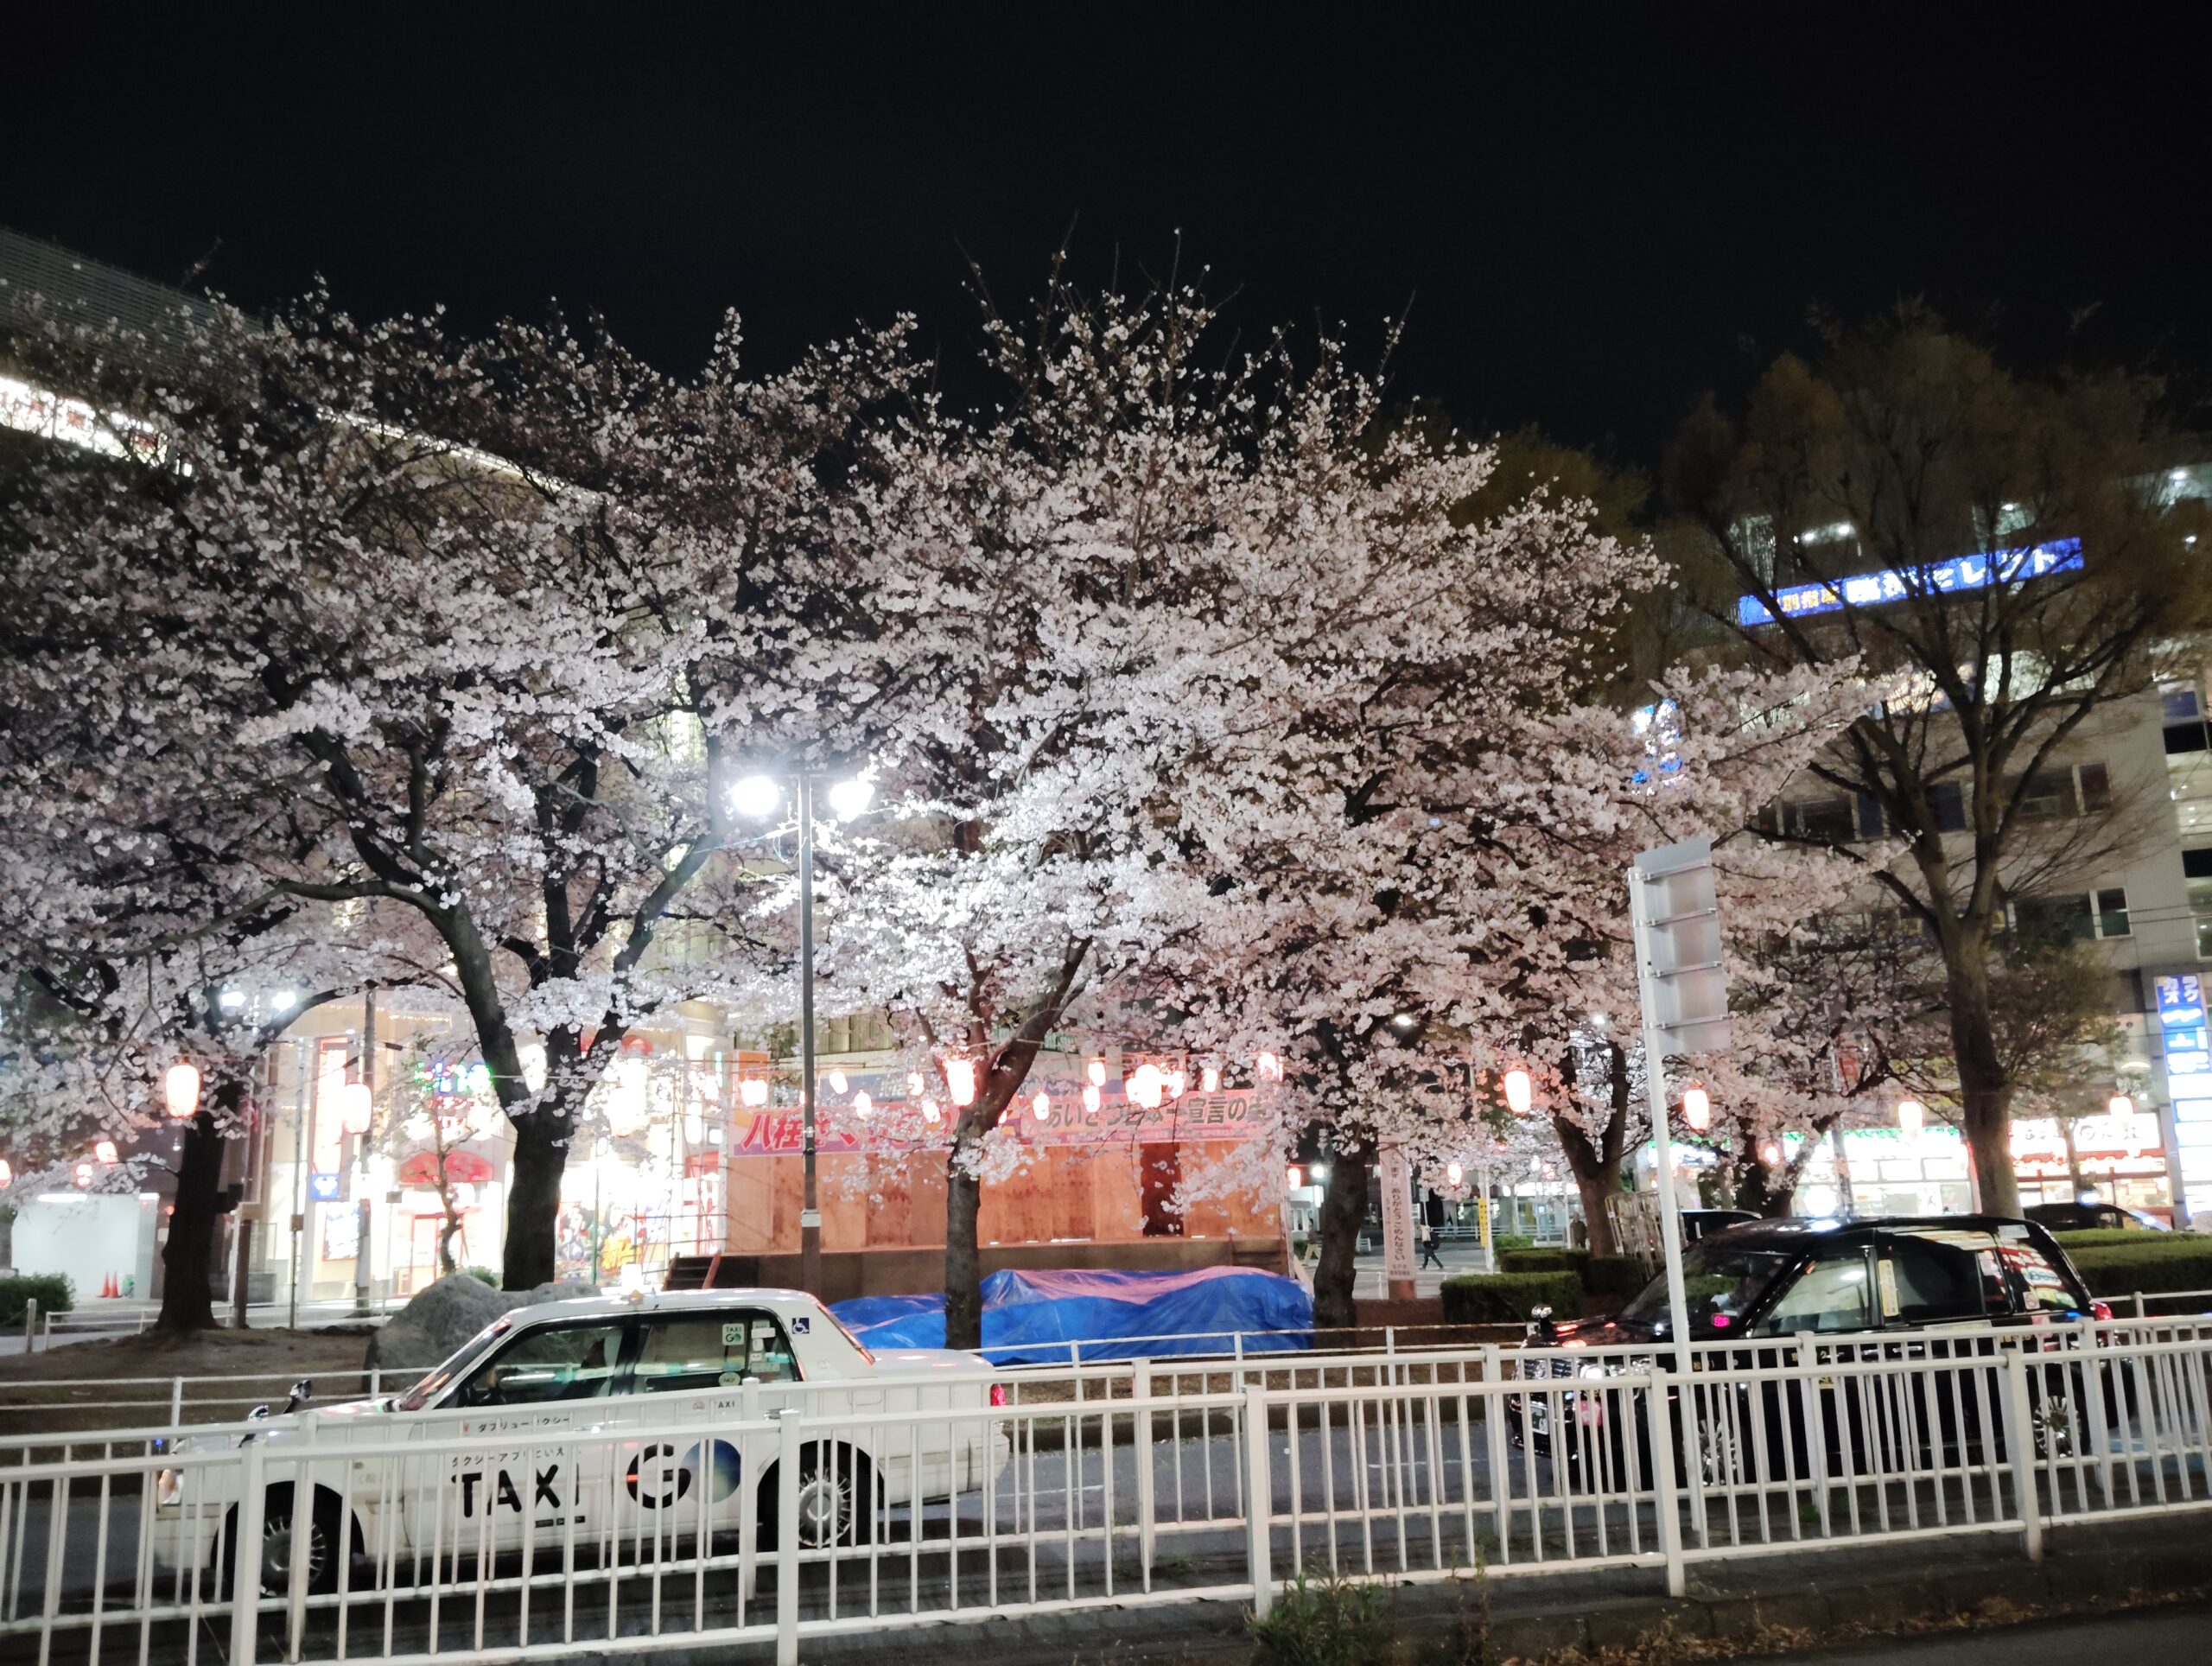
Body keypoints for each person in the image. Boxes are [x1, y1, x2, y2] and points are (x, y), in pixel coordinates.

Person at [1418, 1188, 1446, 1269]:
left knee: (1432, 1256)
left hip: (1428, 1243)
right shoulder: (1425, 1228)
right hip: (1427, 1243)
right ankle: (1424, 1267)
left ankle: (1440, 1266)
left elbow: (1428, 1234)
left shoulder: (1425, 1228)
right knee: (1426, 1256)